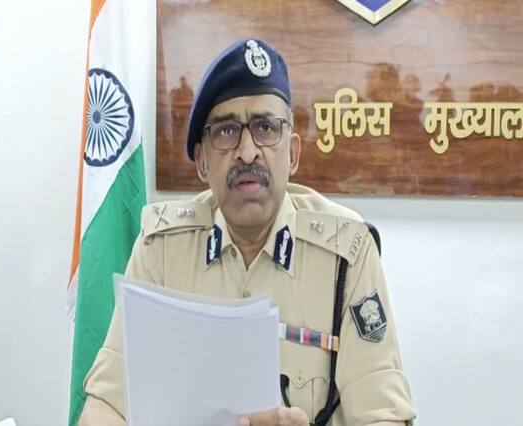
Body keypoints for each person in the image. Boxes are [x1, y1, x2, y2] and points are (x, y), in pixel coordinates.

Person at [79, 39, 415, 426]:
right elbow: (103, 408)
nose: (248, 151)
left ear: (292, 153)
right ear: (202, 162)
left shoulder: (346, 253)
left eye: (265, 128)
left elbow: (384, 417)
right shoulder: (162, 249)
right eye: (226, 132)